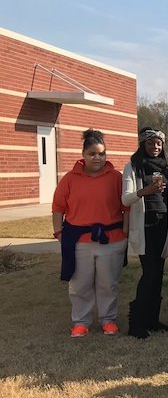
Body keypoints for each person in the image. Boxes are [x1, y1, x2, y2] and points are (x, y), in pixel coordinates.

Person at [52, 129, 128, 338]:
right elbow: (58, 207)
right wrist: (59, 233)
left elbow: (126, 208)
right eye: (92, 153)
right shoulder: (70, 178)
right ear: (83, 154)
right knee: (79, 284)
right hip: (79, 241)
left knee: (108, 284)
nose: (97, 158)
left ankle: (108, 319)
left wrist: (126, 234)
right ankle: (81, 321)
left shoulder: (115, 177)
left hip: (111, 239)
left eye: (102, 154)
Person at [121, 128, 168, 339]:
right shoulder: (133, 167)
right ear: (143, 144)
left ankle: (153, 320)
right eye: (151, 143)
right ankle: (136, 322)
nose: (155, 147)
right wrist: (146, 191)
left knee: (158, 274)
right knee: (149, 274)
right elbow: (125, 199)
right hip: (145, 226)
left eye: (159, 144)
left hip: (164, 225)